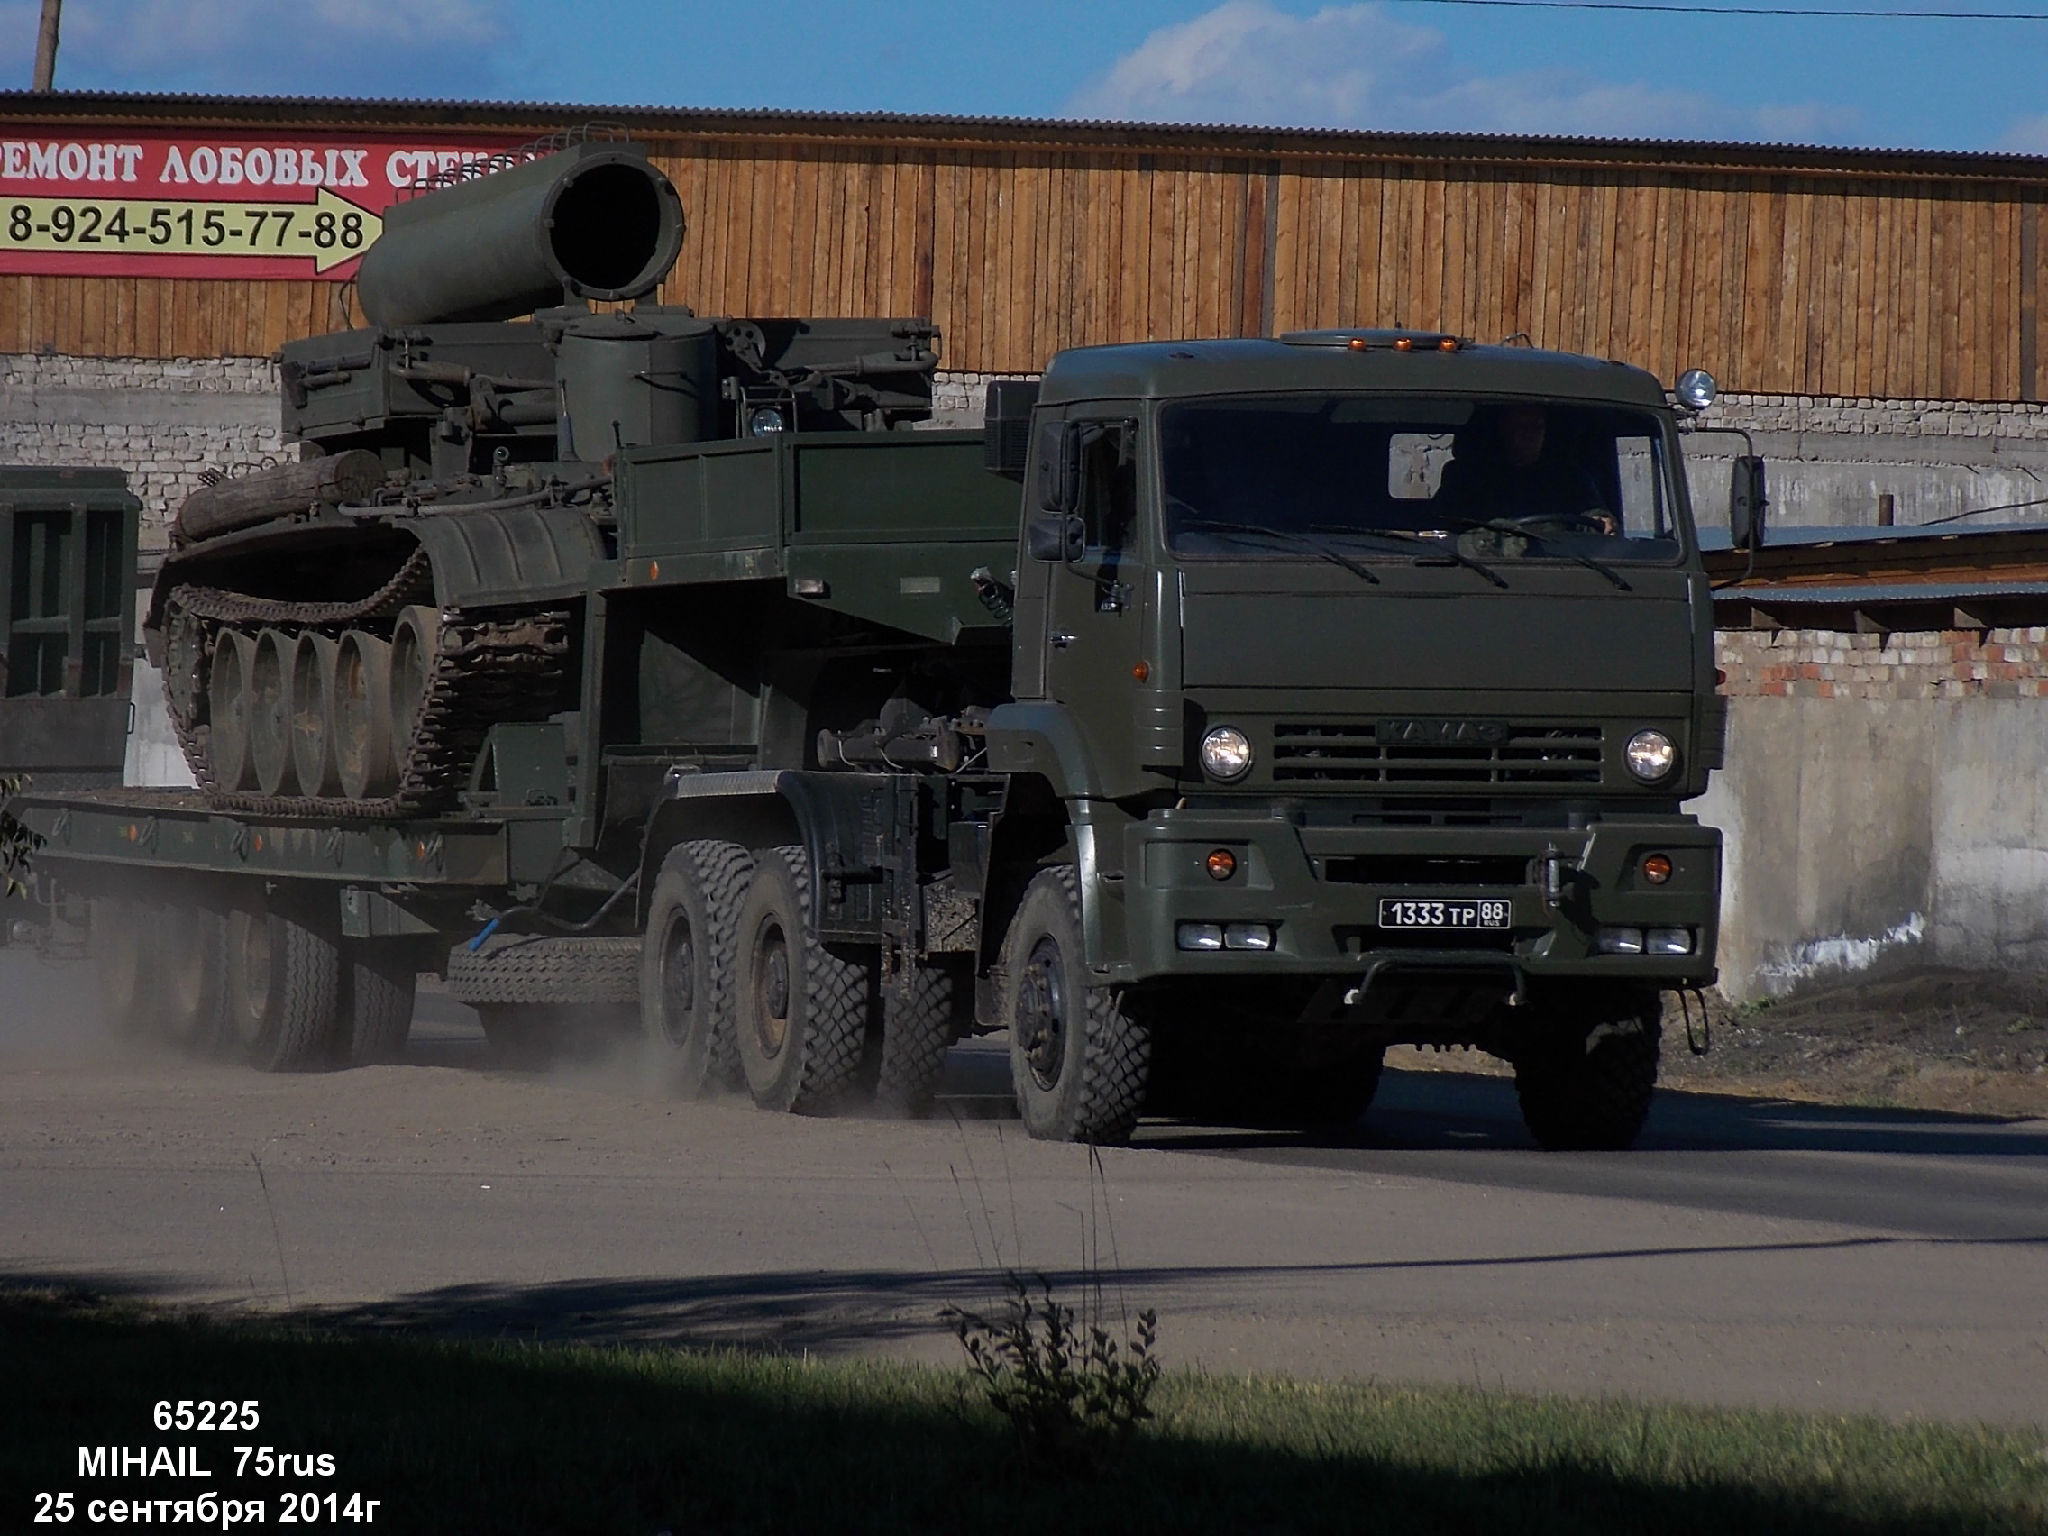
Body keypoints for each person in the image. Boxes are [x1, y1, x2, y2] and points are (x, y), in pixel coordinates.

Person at [1435, 403, 1616, 533]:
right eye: (1521, 427)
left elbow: (1592, 514)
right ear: (1503, 431)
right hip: (1487, 565)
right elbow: (1446, 527)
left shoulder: (1569, 479)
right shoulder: (1466, 479)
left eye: (1537, 427)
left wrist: (1600, 520)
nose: (1529, 434)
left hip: (1561, 566)